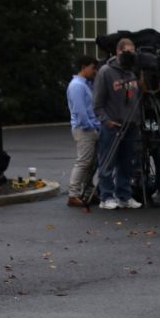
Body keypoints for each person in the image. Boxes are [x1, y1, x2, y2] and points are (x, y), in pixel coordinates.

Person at [91, 37, 142, 210]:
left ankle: (124, 195)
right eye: (128, 52)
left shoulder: (132, 72)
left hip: (130, 125)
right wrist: (106, 121)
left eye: (133, 52)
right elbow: (97, 103)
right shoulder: (105, 71)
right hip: (113, 125)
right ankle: (106, 196)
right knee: (107, 161)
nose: (131, 55)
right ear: (118, 52)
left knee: (127, 163)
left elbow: (136, 97)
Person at [65, 56, 100, 206]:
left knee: (89, 162)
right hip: (84, 129)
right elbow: (80, 111)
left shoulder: (83, 84)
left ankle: (86, 191)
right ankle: (73, 194)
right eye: (93, 67)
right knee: (84, 162)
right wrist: (90, 126)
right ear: (84, 67)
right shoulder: (78, 86)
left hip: (87, 127)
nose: (95, 71)